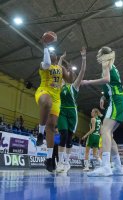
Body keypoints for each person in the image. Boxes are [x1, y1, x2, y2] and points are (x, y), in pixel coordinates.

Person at [81, 46, 123, 176]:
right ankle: (118, 167)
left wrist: (88, 82)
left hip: (116, 101)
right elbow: (112, 84)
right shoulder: (113, 65)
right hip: (118, 100)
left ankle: (106, 166)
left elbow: (106, 79)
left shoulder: (106, 62)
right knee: (109, 134)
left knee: (104, 130)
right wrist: (103, 96)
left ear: (102, 54)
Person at [35, 42, 73, 172]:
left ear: (57, 57)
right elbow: (46, 63)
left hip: (57, 98)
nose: (52, 53)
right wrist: (45, 47)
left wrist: (69, 69)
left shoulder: (60, 68)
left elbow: (70, 80)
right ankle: (40, 133)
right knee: (46, 103)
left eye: (53, 52)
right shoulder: (44, 64)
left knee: (51, 127)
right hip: (43, 91)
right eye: (50, 52)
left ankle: (50, 159)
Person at [56, 48, 87, 173]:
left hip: (72, 113)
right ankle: (60, 162)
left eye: (72, 74)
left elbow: (83, 72)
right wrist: (61, 59)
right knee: (63, 135)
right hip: (62, 111)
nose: (70, 74)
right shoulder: (61, 84)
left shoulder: (75, 86)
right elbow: (58, 70)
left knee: (69, 138)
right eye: (68, 72)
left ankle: (66, 161)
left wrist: (83, 57)